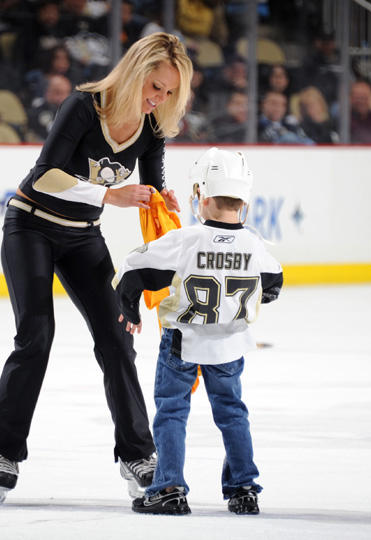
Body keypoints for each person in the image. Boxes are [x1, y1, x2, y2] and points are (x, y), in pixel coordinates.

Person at [0, 31, 193, 504]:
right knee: (35, 337)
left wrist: (161, 197)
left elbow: (151, 182)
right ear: (136, 71)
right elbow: (45, 175)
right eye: (154, 86)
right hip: (30, 226)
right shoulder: (83, 105)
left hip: (82, 238)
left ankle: (137, 453)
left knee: (117, 339)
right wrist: (108, 195)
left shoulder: (152, 126)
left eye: (168, 92)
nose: (157, 98)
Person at [112, 147, 283, 515]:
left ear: (201, 198)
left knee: (172, 411)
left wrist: (130, 308)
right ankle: (243, 488)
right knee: (233, 413)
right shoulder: (255, 245)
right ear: (245, 203)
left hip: (182, 342)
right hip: (230, 345)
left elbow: (132, 270)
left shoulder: (185, 240)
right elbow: (273, 285)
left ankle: (169, 488)